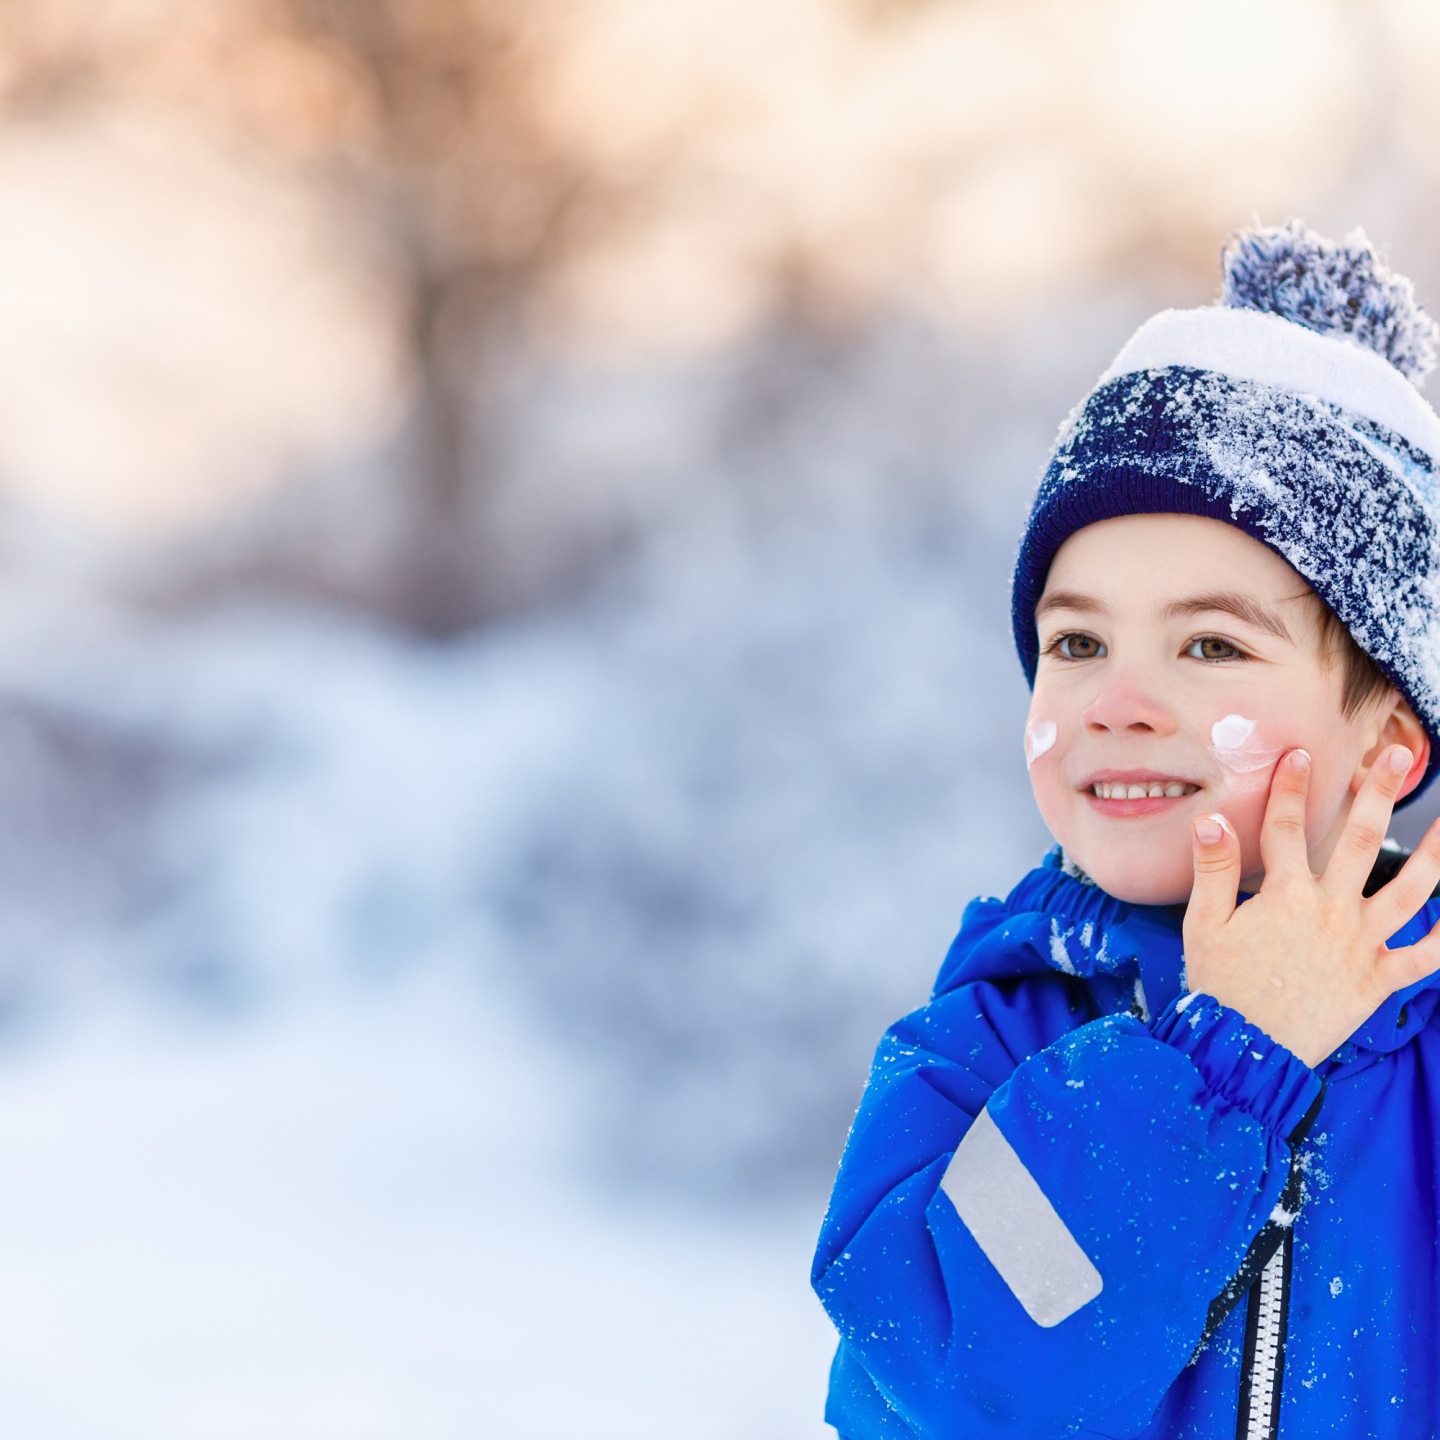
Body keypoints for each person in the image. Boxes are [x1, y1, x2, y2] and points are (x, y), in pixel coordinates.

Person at [811, 220, 1440, 1439]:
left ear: (1392, 745)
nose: (1116, 702)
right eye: (1077, 644)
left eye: (1208, 645)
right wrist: (1223, 1062)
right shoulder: (980, 1049)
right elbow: (961, 1389)